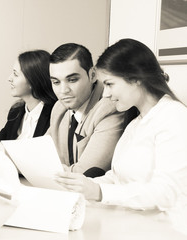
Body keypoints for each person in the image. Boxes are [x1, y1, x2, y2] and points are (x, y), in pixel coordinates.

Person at [55, 38, 187, 212]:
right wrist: (79, 184)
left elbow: (168, 192)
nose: (106, 94)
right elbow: (117, 178)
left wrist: (100, 192)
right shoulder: (135, 123)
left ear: (136, 79)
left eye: (110, 84)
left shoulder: (174, 116)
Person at [47, 43, 127, 177]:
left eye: (72, 80)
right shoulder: (59, 108)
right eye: (56, 82)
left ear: (93, 75)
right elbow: (40, 156)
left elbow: (85, 172)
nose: (63, 91)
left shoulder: (110, 107)